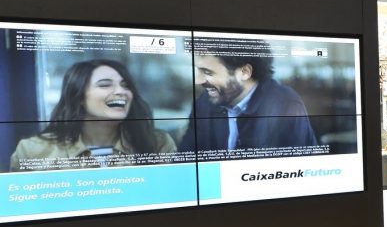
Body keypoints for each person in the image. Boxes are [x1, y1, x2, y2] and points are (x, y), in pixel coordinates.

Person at [10, 59, 176, 171]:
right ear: (79, 97)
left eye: (125, 86)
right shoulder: (33, 151)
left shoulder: (158, 144)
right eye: (105, 85)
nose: (121, 91)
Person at [178, 39, 317, 154]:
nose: (197, 81)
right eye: (198, 70)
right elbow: (186, 159)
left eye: (208, 72)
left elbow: (297, 170)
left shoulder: (286, 105)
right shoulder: (204, 103)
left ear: (244, 72)